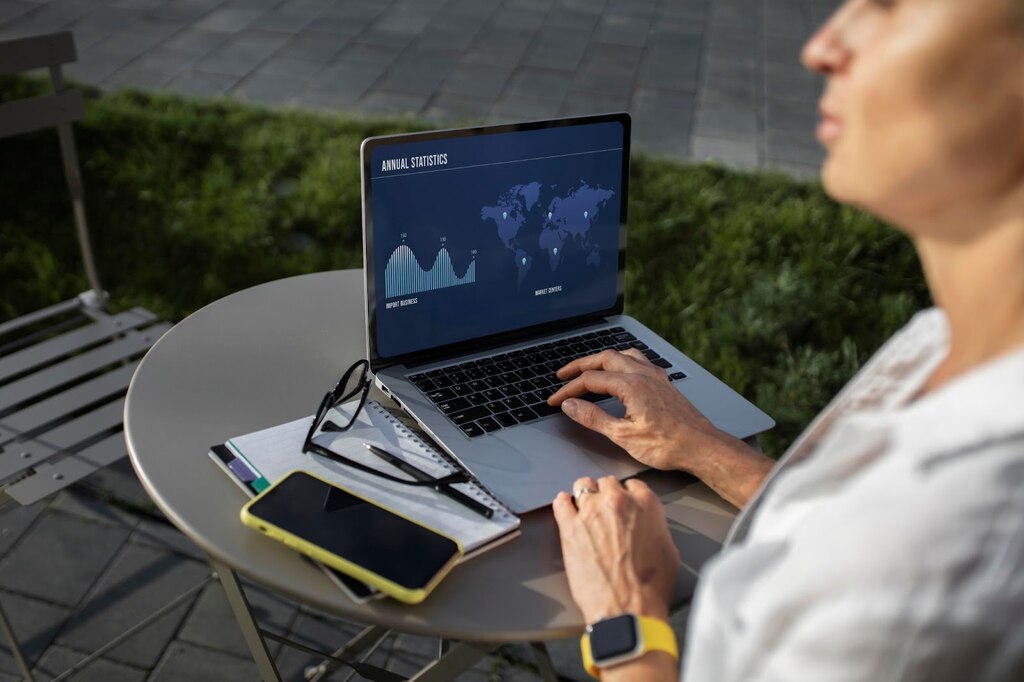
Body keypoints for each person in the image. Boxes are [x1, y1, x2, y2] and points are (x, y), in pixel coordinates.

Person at [546, 0, 1024, 679]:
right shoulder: (953, 337)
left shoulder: (949, 557)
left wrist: (628, 618)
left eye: (889, 7)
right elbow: (853, 530)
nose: (820, 47)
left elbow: (888, 554)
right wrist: (704, 448)